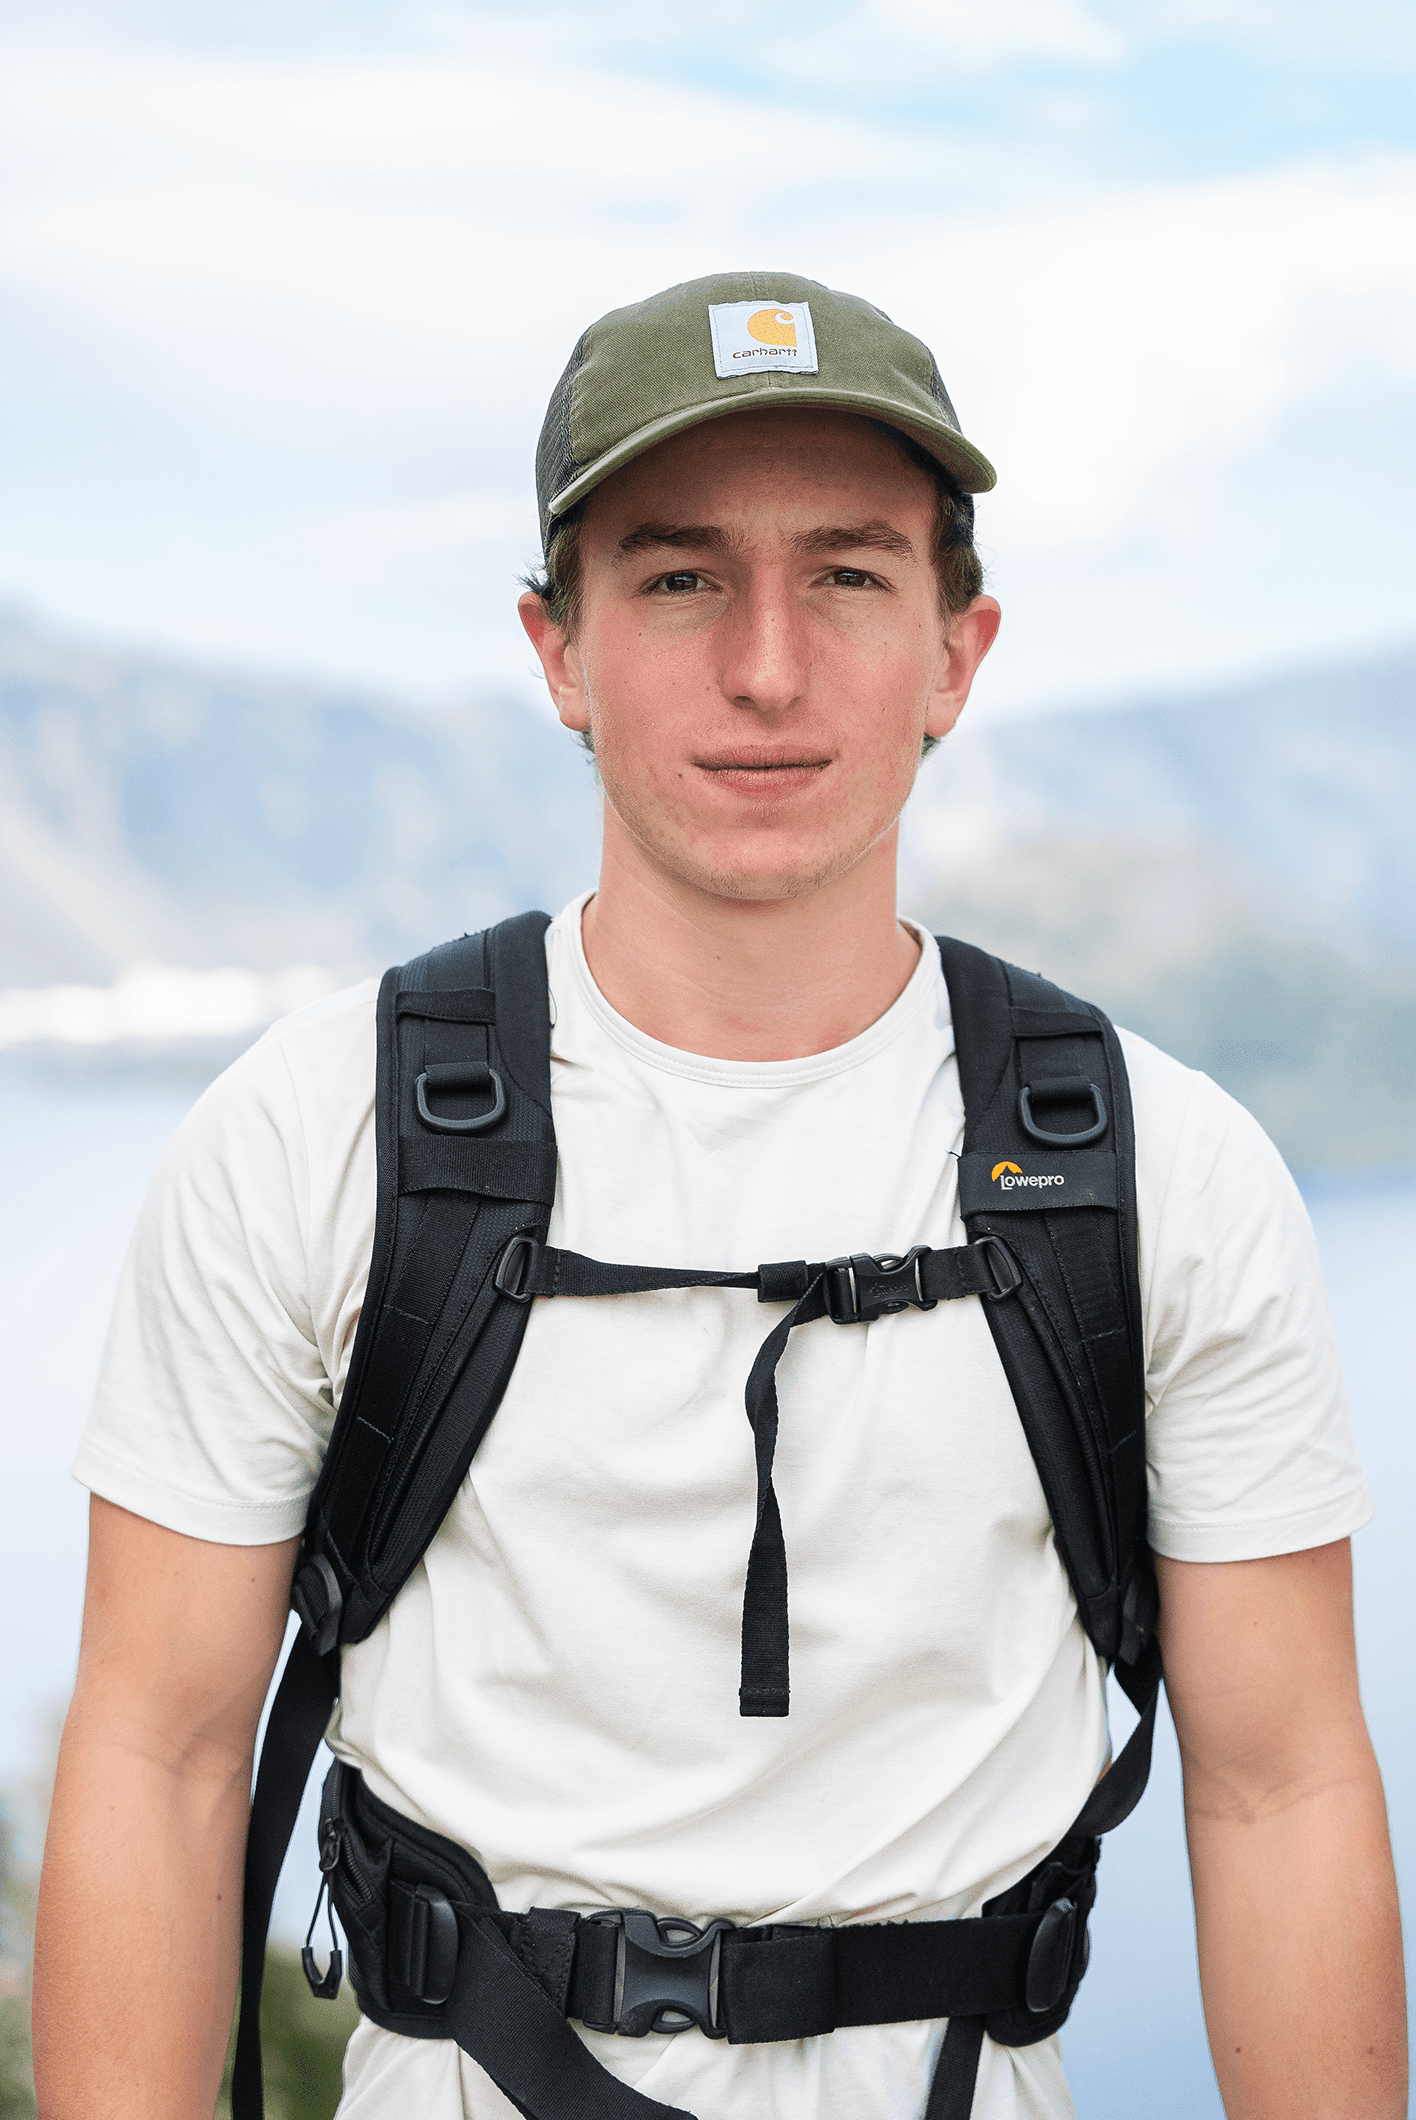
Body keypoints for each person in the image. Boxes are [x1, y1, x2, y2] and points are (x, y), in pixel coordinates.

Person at [32, 270, 1404, 2120]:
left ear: (958, 650)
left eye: (847, 575)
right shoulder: (312, 1135)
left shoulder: (1163, 1172)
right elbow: (161, 1752)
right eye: (679, 579)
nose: (768, 666)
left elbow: (1283, 1783)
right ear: (559, 649)